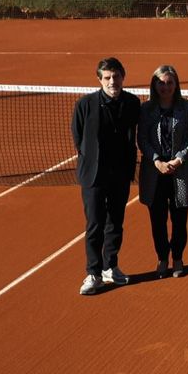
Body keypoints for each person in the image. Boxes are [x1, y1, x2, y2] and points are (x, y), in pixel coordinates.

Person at [72, 57, 141, 295]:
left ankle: (111, 266)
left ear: (123, 76)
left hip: (120, 174)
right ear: (99, 79)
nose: (113, 81)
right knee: (94, 224)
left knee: (115, 224)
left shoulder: (133, 103)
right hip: (93, 176)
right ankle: (93, 272)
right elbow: (78, 137)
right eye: (108, 77)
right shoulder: (85, 104)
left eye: (117, 76)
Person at [138, 64, 188, 279]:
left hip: (179, 172)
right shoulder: (146, 109)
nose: (165, 87)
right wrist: (156, 161)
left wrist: (178, 159)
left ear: (176, 84)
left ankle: (178, 257)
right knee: (157, 220)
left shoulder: (185, 107)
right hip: (155, 173)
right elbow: (142, 139)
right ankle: (162, 257)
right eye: (161, 83)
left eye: (169, 82)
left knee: (180, 219)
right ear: (154, 84)